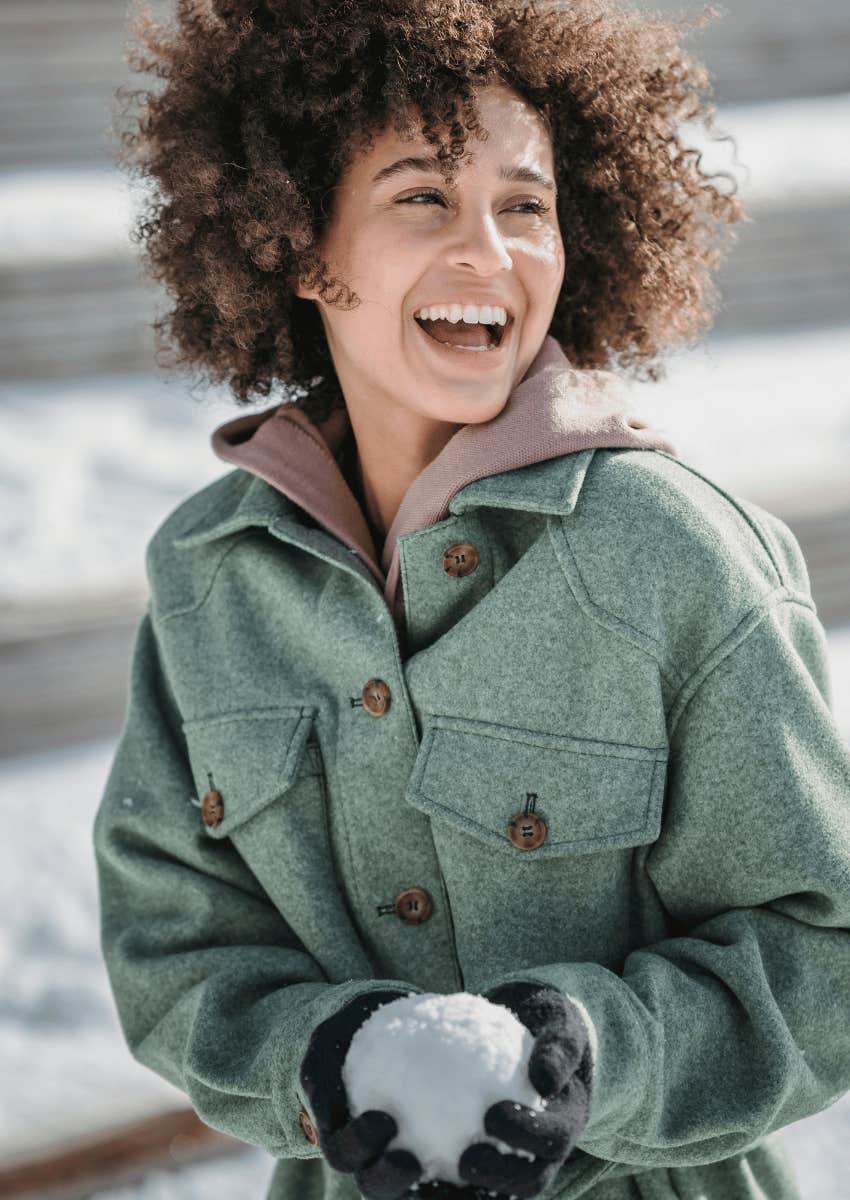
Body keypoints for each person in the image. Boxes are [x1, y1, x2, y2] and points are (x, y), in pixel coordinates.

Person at [94, 2, 850, 1199]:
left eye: (525, 204)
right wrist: (321, 1052)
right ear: (295, 241)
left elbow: (822, 946)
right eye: (422, 198)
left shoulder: (675, 555)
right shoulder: (205, 580)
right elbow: (173, 952)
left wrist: (598, 1049)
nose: (490, 254)